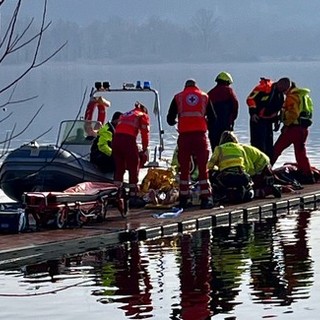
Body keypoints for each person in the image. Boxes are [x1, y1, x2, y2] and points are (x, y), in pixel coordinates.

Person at [167, 79, 215, 209]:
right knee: (203, 168)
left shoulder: (178, 97)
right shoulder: (204, 96)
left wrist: (180, 120)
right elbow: (213, 118)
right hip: (200, 136)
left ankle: (183, 199)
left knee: (184, 169)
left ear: (185, 86)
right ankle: (206, 199)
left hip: (184, 137)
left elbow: (169, 120)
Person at [208, 131, 281, 201]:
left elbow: (209, 166)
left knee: (216, 178)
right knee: (248, 187)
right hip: (247, 171)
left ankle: (266, 190)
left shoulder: (219, 148)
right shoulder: (240, 148)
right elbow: (247, 165)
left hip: (260, 166)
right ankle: (264, 189)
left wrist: (217, 169)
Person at [271, 79, 315, 184]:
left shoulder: (292, 97)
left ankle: (265, 171)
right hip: (303, 128)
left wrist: (286, 124)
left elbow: (293, 113)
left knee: (277, 149)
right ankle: (307, 174)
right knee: (300, 152)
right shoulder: (303, 96)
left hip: (293, 128)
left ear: (285, 88)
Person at [112, 102, 150, 208]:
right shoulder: (142, 116)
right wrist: (145, 148)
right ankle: (133, 196)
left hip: (116, 140)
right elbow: (145, 134)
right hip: (128, 141)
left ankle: (116, 195)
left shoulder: (125, 114)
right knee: (134, 165)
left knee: (119, 168)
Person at [246, 77, 291, 159]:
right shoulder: (264, 88)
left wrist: (277, 122)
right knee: (258, 144)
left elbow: (278, 109)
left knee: (268, 146)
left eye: (285, 90)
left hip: (269, 121)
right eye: (284, 89)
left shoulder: (280, 95)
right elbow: (250, 99)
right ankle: (256, 165)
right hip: (258, 119)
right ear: (280, 83)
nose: (284, 91)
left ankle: (267, 166)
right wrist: (253, 114)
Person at [207, 71, 239, 152]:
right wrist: (232, 120)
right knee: (227, 147)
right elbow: (235, 106)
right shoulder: (229, 91)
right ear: (227, 82)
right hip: (225, 125)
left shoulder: (210, 93)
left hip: (212, 126)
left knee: (215, 148)